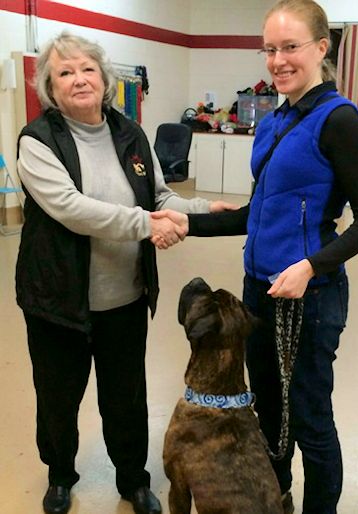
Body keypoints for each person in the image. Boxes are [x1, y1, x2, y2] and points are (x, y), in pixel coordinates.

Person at [16, 31, 237, 514]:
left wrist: (202, 210)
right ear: (50, 89)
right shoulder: (38, 141)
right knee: (58, 397)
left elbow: (158, 196)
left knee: (126, 397)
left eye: (87, 69)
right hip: (58, 300)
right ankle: (60, 474)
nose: (78, 80)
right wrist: (148, 225)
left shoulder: (130, 133)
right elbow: (73, 209)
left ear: (104, 76)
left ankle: (133, 480)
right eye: (65, 73)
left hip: (124, 297)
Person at [152, 1, 358, 513]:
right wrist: (188, 222)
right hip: (258, 293)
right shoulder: (275, 120)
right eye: (269, 48)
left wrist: (312, 266)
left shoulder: (339, 120)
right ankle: (275, 497)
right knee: (268, 411)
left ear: (321, 48)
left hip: (309, 298)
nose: (277, 60)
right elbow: (257, 214)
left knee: (309, 418)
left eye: (290, 47)